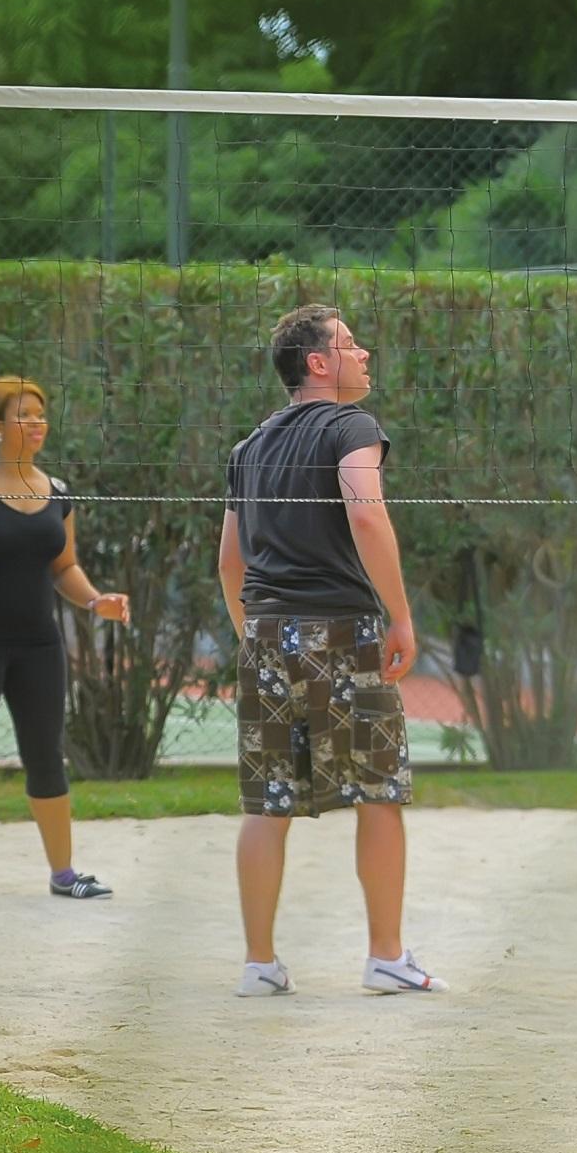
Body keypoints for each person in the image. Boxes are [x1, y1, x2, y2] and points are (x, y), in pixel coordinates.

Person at [218, 303, 438, 998]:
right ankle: (386, 956)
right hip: (343, 631)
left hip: (266, 631)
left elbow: (230, 560)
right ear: (318, 364)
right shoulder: (351, 426)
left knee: (266, 803)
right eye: (349, 344)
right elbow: (365, 509)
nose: (364, 352)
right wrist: (400, 617)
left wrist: (249, 630)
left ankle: (259, 965)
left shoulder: (249, 447)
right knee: (379, 793)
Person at [0, 376, 131, 900]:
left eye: (40, 413)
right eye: (23, 415)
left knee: (45, 754)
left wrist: (95, 600)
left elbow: (64, 567)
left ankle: (64, 874)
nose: (36, 423)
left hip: (39, 646)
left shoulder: (57, 493)